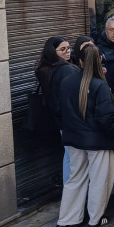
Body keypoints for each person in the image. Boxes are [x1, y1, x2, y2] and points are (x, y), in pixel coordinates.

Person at [54, 45, 114, 227]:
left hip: (73, 137)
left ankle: (67, 219)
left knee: (75, 178)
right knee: (100, 180)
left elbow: (60, 110)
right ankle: (95, 219)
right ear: (100, 60)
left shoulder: (67, 81)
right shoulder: (100, 84)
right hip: (98, 140)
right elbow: (106, 118)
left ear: (80, 61)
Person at [35, 36, 73, 185]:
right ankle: (69, 190)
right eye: (62, 49)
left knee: (69, 156)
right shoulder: (60, 71)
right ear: (53, 51)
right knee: (71, 157)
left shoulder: (48, 69)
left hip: (61, 119)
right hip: (66, 119)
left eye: (68, 48)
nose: (67, 52)